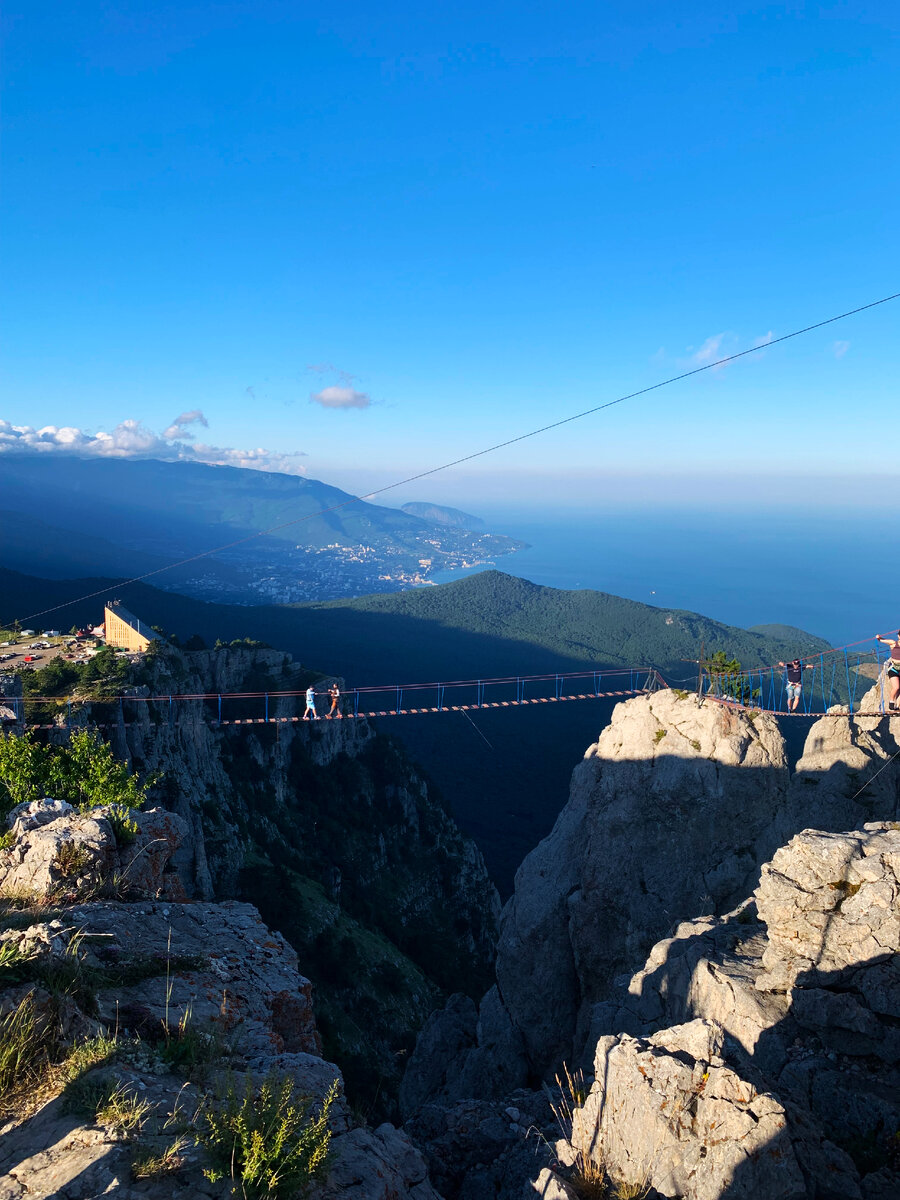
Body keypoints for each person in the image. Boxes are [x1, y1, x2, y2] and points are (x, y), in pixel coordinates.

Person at [875, 631, 900, 711]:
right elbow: (882, 640)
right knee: (896, 687)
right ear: (899, 636)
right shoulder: (893, 643)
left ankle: (898, 706)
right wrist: (879, 637)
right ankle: (891, 702)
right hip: (893, 669)